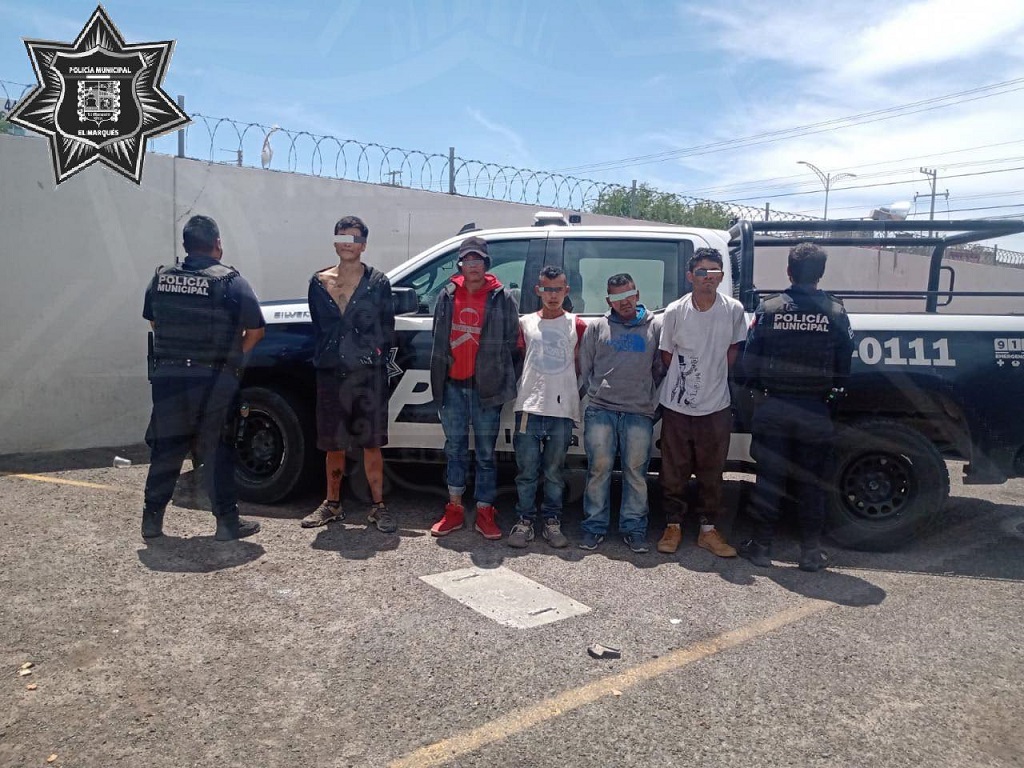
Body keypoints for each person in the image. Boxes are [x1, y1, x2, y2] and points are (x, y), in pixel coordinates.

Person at [141, 215, 265, 541]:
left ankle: (151, 520)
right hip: (212, 381)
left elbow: (155, 322)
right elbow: (255, 331)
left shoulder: (160, 280)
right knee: (217, 449)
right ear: (218, 244)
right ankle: (227, 522)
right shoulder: (231, 282)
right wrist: (233, 362)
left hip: (168, 377)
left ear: (186, 245)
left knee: (166, 449)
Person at [738, 243, 855, 572]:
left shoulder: (770, 308)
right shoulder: (835, 310)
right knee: (811, 482)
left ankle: (761, 547)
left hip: (774, 405)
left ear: (789, 271)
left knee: (769, 481)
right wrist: (832, 393)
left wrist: (758, 388)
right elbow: (844, 361)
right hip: (814, 410)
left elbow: (750, 358)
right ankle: (810, 552)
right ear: (821, 273)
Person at [301, 216, 397, 533]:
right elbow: (319, 327)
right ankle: (332, 504)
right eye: (342, 236)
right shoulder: (319, 282)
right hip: (331, 374)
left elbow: (387, 328)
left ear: (364, 245)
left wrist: (372, 359)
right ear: (334, 240)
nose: (348, 243)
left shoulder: (378, 282)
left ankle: (378, 507)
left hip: (367, 377)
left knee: (372, 443)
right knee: (334, 444)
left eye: (354, 238)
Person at [655, 247, 747, 558]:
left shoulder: (733, 310)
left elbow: (733, 351)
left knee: (712, 471)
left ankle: (708, 530)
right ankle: (673, 525)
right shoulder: (675, 311)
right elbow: (667, 355)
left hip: (716, 405)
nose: (708, 277)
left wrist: (711, 377)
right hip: (677, 406)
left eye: (715, 271)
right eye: (702, 271)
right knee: (673, 470)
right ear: (690, 276)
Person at [429, 236, 520, 539]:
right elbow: (438, 337)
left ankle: (485, 510)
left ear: (486, 263)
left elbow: (511, 342)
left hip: (486, 389)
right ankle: (454, 508)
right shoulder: (446, 294)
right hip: (453, 385)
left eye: (478, 260)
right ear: (460, 264)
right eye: (468, 260)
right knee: (454, 449)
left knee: (484, 453)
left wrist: (496, 374)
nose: (473, 265)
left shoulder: (502, 297)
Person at [577, 273, 664, 553]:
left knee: (636, 473)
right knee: (598, 470)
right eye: (616, 297)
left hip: (638, 411)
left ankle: (634, 528)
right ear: (608, 301)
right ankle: (593, 527)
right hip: (601, 409)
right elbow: (585, 368)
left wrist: (650, 401)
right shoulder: (597, 327)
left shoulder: (655, 327)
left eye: (628, 295)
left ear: (637, 295)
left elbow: (660, 370)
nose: (624, 301)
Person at [507, 266, 588, 549]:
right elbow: (519, 362)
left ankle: (552, 521)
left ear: (567, 291)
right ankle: (525, 521)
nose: (553, 295)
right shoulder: (525, 322)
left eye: (558, 289)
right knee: (526, 472)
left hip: (562, 410)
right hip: (529, 407)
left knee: (554, 472)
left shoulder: (577, 325)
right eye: (547, 289)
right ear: (537, 290)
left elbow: (581, 367)